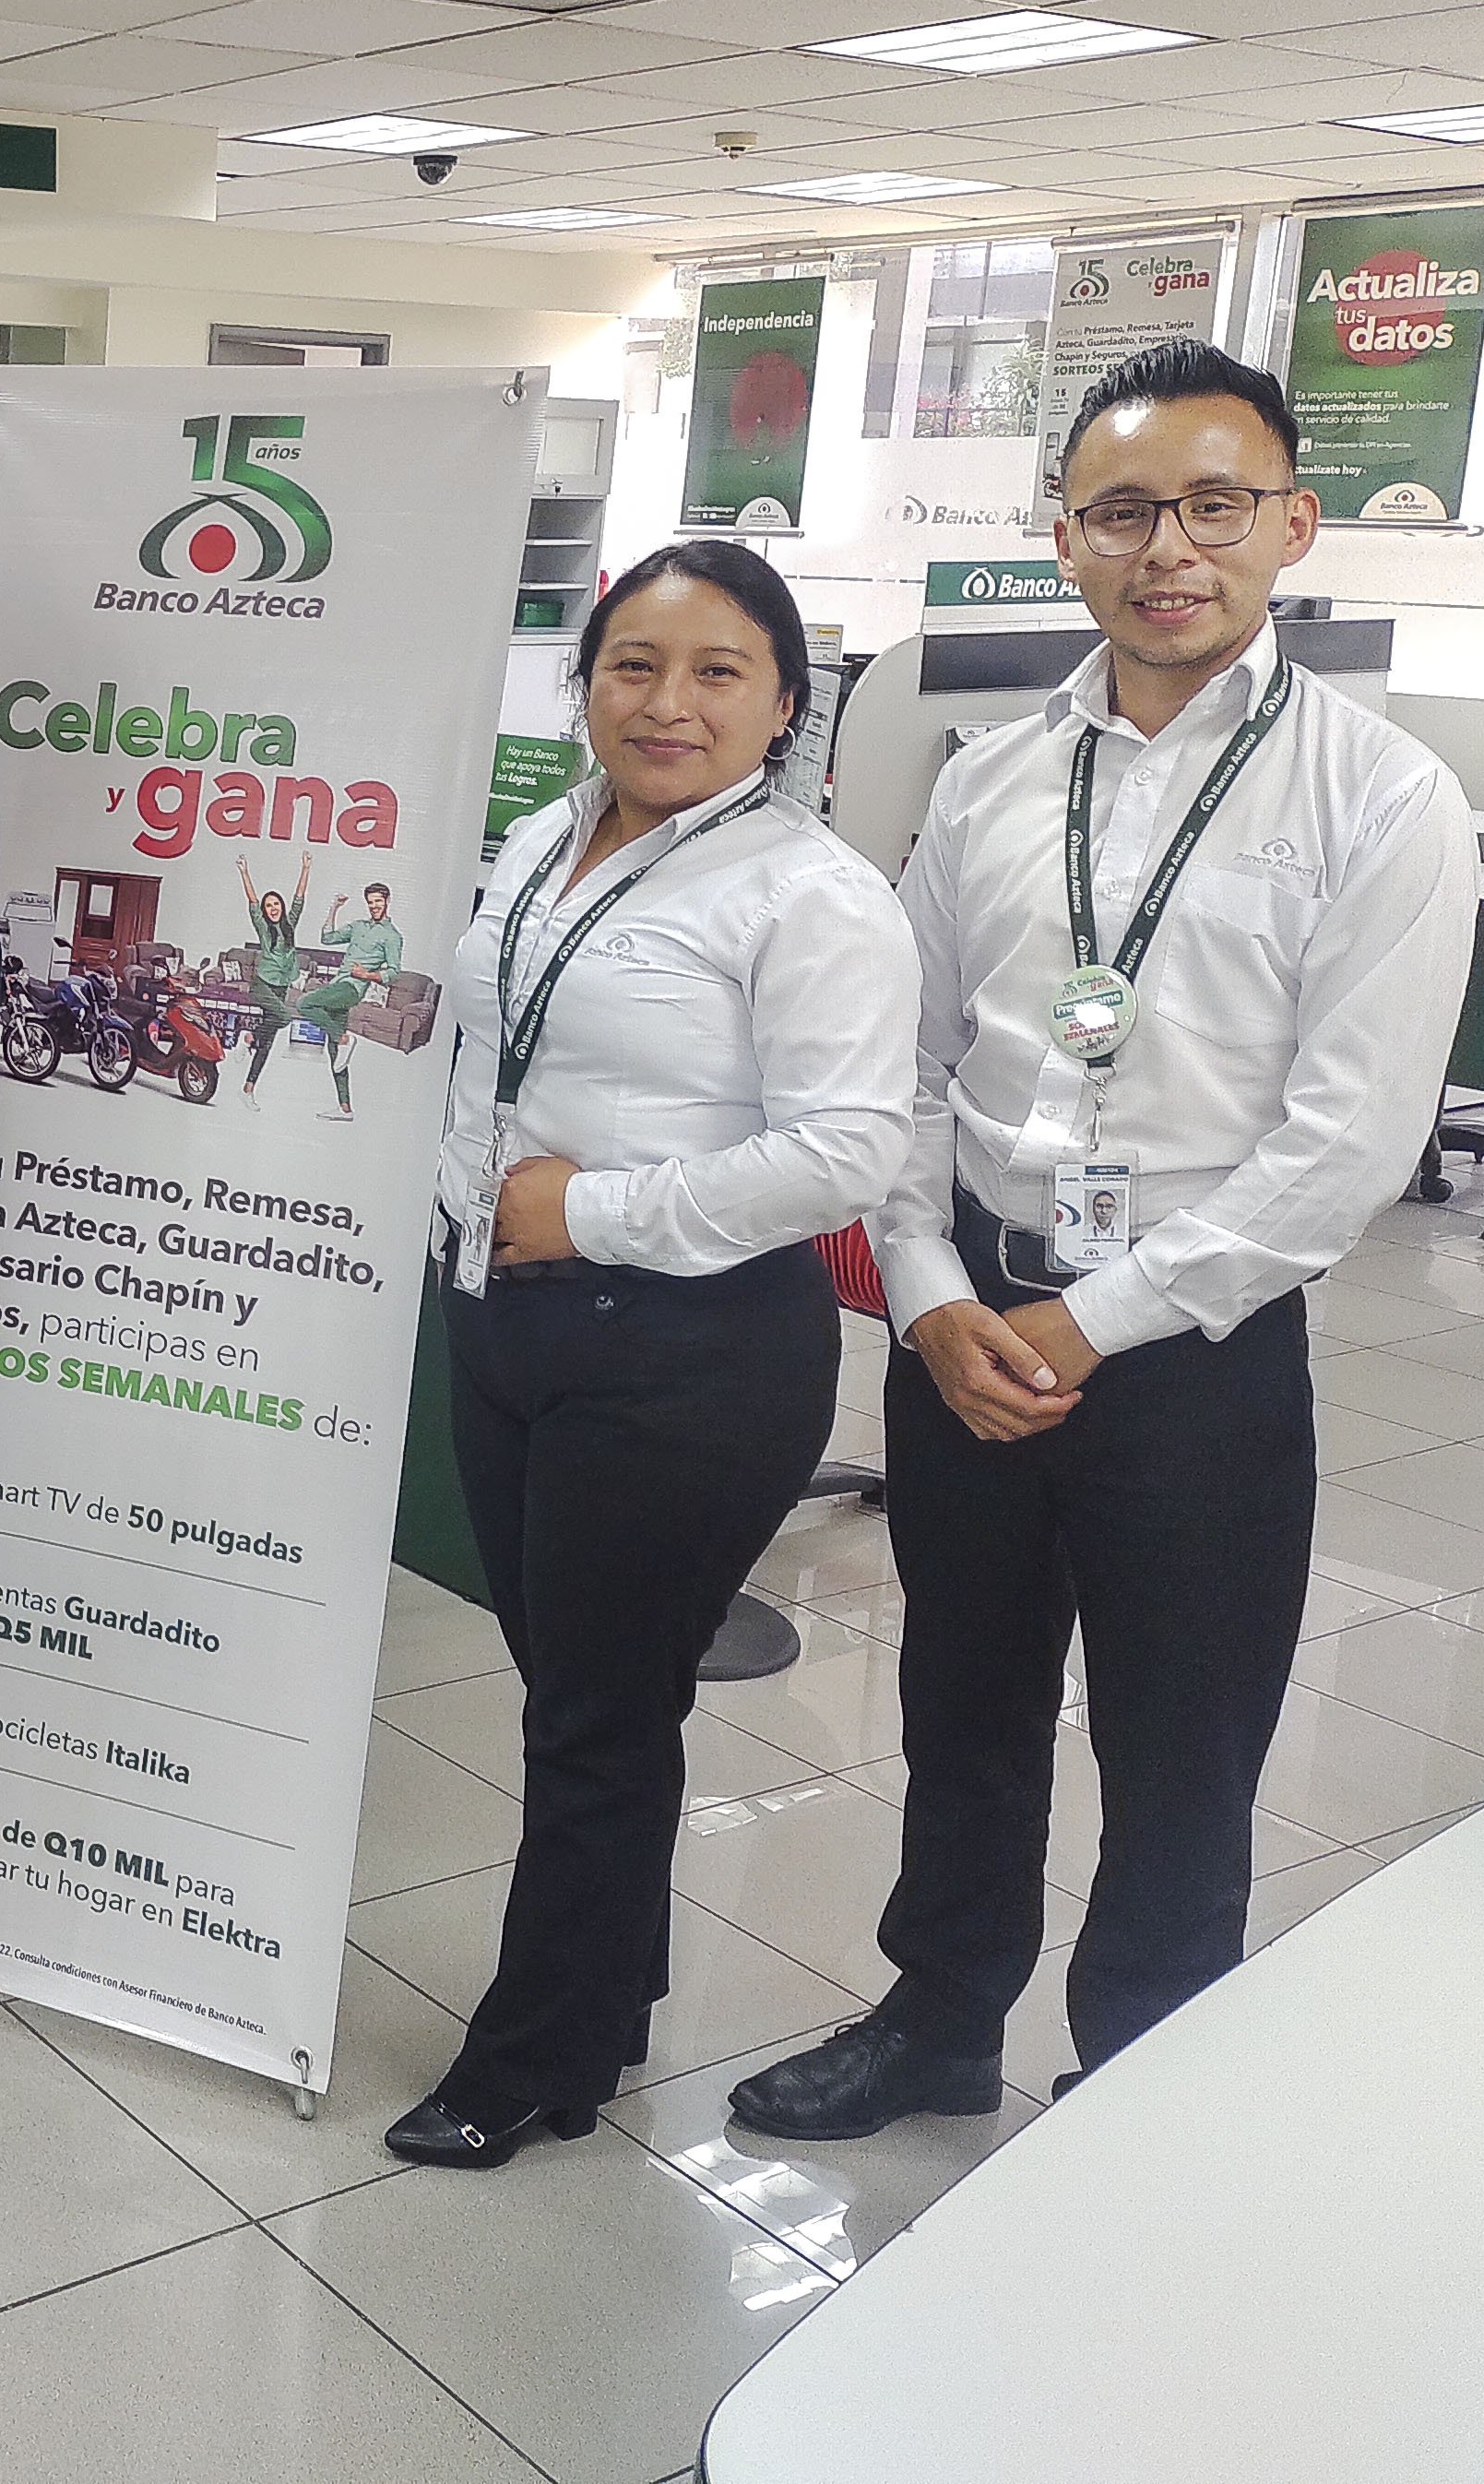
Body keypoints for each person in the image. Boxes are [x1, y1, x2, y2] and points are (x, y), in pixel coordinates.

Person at [730, 342, 1476, 2142]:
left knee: (1181, 1751)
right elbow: (902, 1070)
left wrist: (1094, 1323)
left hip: (1196, 1358)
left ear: (1291, 524)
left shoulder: (1379, 798)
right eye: (1124, 511)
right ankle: (934, 2024)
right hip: (970, 1325)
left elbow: (1346, 1147)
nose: (1169, 548)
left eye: (1215, 505)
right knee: (959, 1708)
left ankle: (1137, 2097)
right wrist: (927, 1299)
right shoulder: (989, 779)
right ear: (1063, 539)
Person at [388, 539, 915, 2170]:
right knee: (578, 1689)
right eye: (633, 665)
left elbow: (847, 1152)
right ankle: (610, 1989)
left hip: (686, 1353)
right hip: (509, 1320)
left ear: (785, 705)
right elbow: (496, 1056)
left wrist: (590, 1212)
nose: (668, 702)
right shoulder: (547, 837)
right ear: (586, 683)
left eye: (716, 673)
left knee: (595, 1719)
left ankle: (535, 2057)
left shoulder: (811, 894)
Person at [307, 879, 402, 1120]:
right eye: (370, 902)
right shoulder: (358, 926)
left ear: (387, 901)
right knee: (334, 1051)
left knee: (305, 1003)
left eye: (378, 901)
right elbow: (327, 938)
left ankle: (344, 1038)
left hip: (352, 988)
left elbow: (393, 972)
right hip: (338, 984)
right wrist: (334, 908)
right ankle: (345, 1108)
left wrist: (367, 974)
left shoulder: (392, 936)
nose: (374, 906)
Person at [232, 850, 308, 1105]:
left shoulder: (289, 925)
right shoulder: (263, 928)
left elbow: (299, 899)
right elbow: (253, 902)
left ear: (281, 907)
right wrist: (245, 872)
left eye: (276, 904)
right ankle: (249, 1037)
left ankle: (248, 1089)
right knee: (284, 1017)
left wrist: (305, 869)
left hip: (280, 988)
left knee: (269, 1042)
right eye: (269, 906)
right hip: (262, 984)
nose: (273, 908)